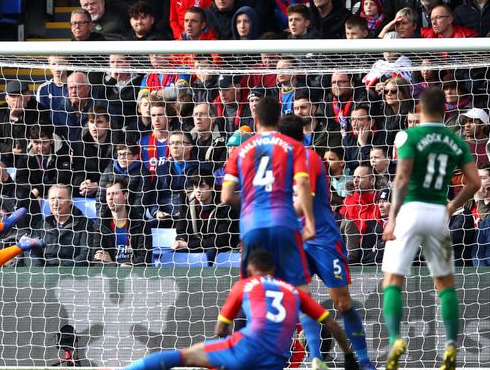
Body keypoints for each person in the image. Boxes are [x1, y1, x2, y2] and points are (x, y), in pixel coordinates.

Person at [123, 249, 360, 370]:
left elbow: (220, 328)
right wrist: (349, 356)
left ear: (249, 267)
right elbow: (332, 325)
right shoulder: (294, 291)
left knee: (184, 356)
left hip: (246, 348)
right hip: (278, 360)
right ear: (273, 268)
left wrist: (225, 347)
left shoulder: (245, 285)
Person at [382, 87, 480, 370]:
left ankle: (396, 339)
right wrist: (452, 206)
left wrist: (392, 218)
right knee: (445, 285)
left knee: (393, 280)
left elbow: (401, 178)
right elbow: (474, 182)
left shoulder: (409, 136)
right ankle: (450, 345)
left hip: (411, 211)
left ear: (419, 108)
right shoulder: (455, 140)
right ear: (444, 110)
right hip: (439, 213)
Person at [279, 114, 376, 370]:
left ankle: (364, 360)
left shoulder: (309, 159)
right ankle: (316, 359)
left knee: (343, 303)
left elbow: (304, 201)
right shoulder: (280, 164)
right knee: (303, 300)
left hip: (322, 238)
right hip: (297, 239)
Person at [221, 96, 315, 287]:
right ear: (278, 118)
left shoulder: (240, 150)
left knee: (250, 289)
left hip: (251, 225)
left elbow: (226, 196)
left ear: (257, 118)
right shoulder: (293, 146)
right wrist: (310, 222)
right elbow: (303, 183)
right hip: (284, 222)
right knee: (297, 290)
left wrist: (249, 205)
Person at [93, 178, 151, 266]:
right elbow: (96, 259)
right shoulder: (100, 225)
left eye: (115, 193)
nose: (111, 198)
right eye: (108, 194)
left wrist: (112, 263)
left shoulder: (141, 223)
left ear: (125, 196)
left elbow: (145, 258)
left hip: (135, 275)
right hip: (109, 276)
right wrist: (118, 266)